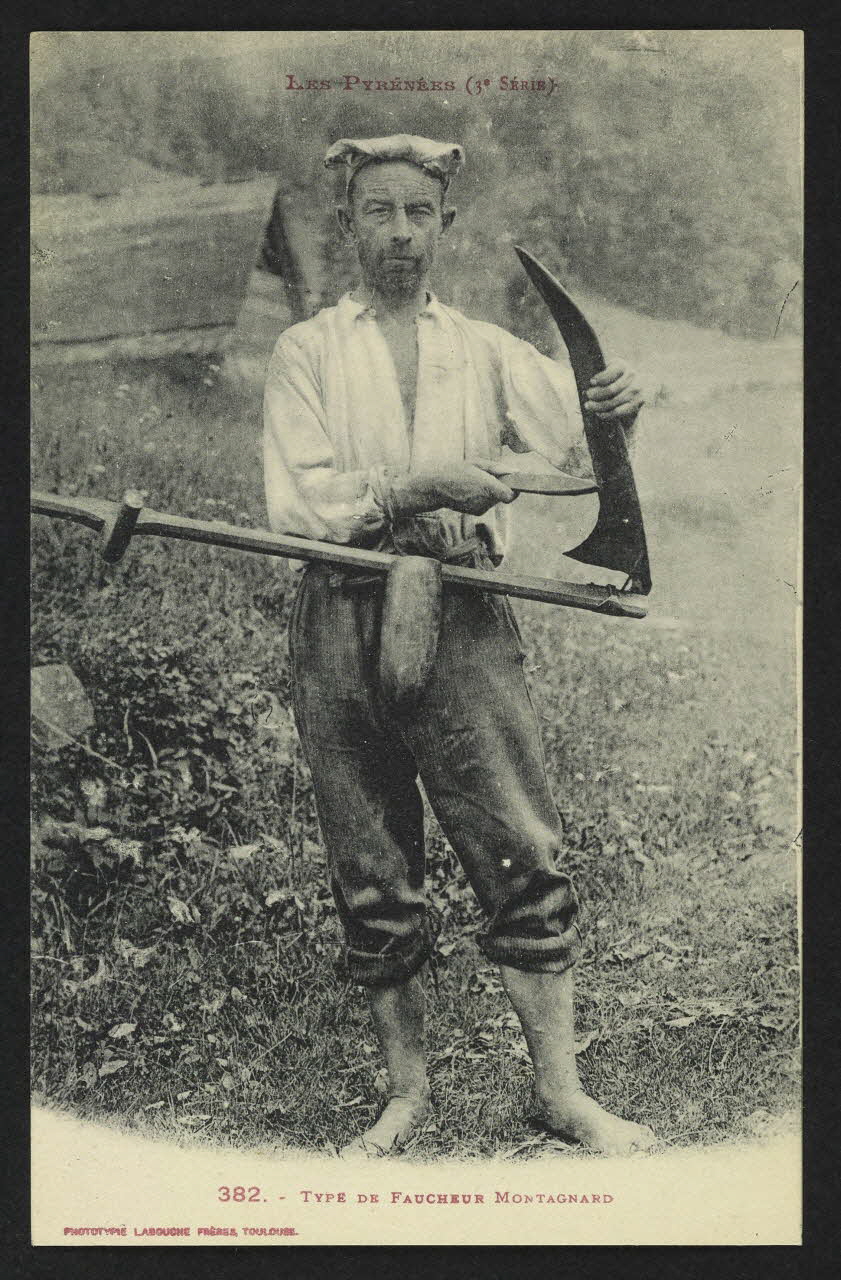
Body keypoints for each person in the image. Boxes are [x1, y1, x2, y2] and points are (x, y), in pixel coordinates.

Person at [263, 134, 653, 1157]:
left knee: (518, 841)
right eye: (378, 211)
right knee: (371, 858)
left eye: (418, 213)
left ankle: (559, 1091)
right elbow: (300, 497)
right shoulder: (309, 350)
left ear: (442, 224)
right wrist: (421, 481)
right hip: (341, 613)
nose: (399, 233)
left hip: (464, 607)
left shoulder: (481, 347)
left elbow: (577, 442)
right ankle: (403, 1094)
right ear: (349, 221)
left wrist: (613, 406)